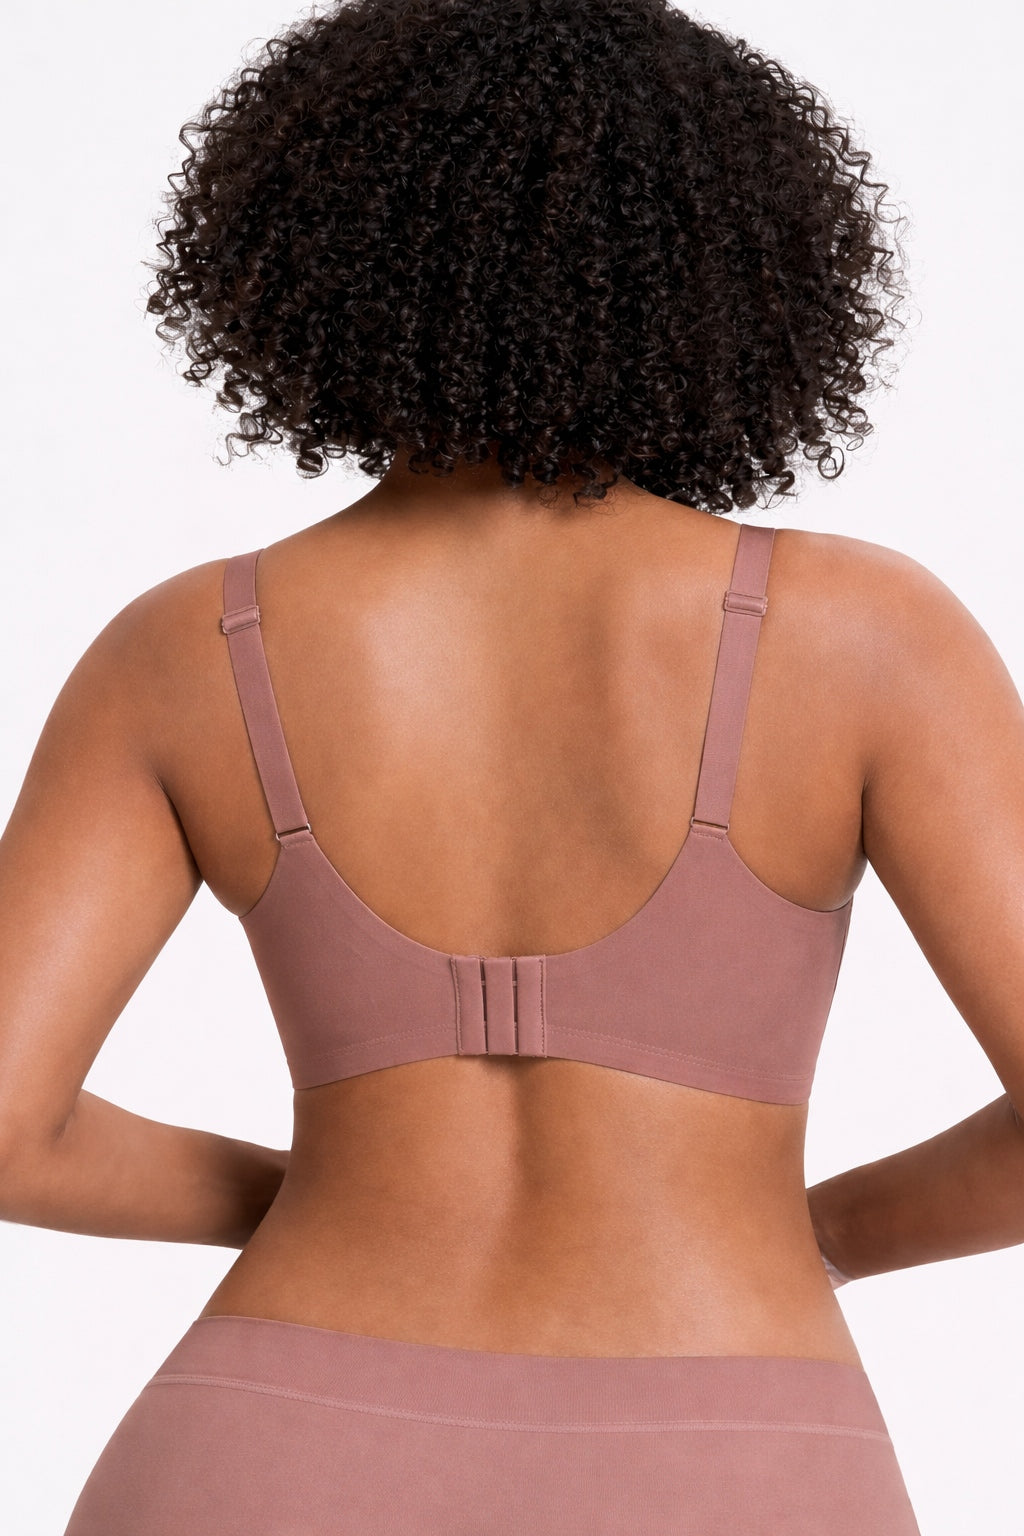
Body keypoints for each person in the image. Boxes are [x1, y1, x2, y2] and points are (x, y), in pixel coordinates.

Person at [2, 0, 1022, 1530]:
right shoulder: (867, 635)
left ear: (314, 260)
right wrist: (801, 1233)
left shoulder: (189, 646)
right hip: (727, 1454)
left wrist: (311, 1200)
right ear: (729, 267)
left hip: (267, 1452)